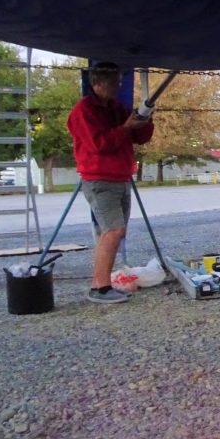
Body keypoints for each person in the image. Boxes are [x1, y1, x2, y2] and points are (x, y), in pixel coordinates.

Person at [66, 62, 154, 303]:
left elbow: (140, 137)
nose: (117, 86)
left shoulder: (115, 107)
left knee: (113, 232)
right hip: (99, 179)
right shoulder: (84, 111)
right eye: (113, 82)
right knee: (113, 231)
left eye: (118, 81)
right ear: (96, 83)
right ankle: (100, 288)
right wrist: (125, 127)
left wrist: (145, 119)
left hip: (119, 177)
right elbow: (99, 145)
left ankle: (102, 284)